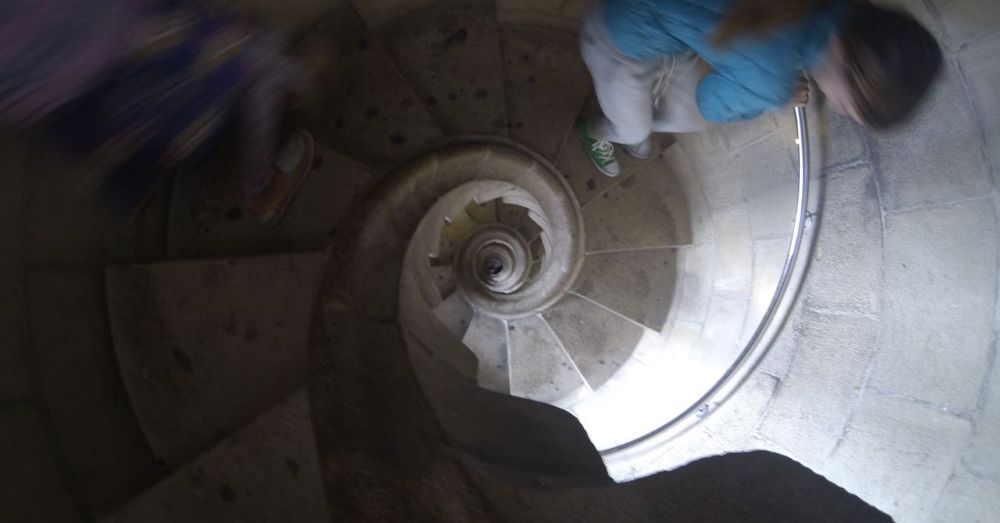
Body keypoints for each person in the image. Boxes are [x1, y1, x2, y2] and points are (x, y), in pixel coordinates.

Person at [0, 0, 330, 223]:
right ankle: (260, 187)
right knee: (250, 58)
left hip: (62, 84)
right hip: (123, 45)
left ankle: (140, 178)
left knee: (134, 133)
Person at [575, 0, 943, 177]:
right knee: (638, 127)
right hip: (616, 38)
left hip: (652, 18)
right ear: (844, 57)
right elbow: (709, 103)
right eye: (844, 105)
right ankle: (599, 133)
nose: (835, 107)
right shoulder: (772, 79)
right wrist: (776, 96)